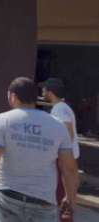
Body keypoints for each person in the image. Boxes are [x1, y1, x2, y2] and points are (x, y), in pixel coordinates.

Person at [0, 77, 79, 221]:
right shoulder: (58, 126)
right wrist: (70, 199)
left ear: (12, 96)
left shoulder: (3, 120)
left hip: (8, 196)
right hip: (43, 201)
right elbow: (69, 169)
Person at [42, 78, 80, 221]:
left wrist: (58, 153)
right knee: (65, 195)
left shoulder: (59, 109)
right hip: (67, 156)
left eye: (44, 89)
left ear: (50, 92)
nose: (42, 91)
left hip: (64, 158)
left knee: (62, 196)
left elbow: (68, 132)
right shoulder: (62, 107)